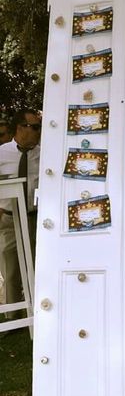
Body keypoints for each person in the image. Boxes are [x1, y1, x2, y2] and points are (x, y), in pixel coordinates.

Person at [0, 108, 41, 314]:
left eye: (39, 127)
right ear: (19, 128)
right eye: (34, 127)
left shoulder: (44, 154)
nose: (38, 131)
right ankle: (12, 317)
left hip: (35, 219)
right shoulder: (2, 152)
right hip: (9, 219)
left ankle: (37, 315)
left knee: (37, 268)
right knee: (11, 271)